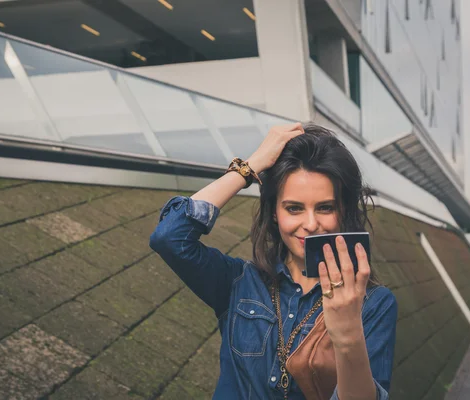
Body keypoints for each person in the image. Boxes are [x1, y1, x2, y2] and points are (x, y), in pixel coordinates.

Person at [150, 123, 397, 400]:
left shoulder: (374, 303)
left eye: (325, 207)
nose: (311, 224)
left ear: (343, 211)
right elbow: (169, 237)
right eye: (294, 208)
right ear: (275, 213)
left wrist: (349, 335)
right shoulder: (238, 282)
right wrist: (248, 167)